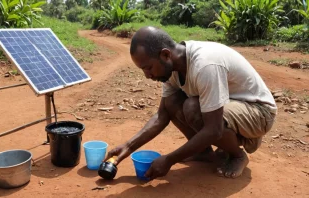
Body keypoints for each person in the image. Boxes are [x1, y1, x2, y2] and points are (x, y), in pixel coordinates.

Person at [104, 26, 277, 180]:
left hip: (258, 112)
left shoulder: (204, 65)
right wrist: (127, 147)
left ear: (165, 54)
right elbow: (162, 116)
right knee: (172, 102)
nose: (147, 76)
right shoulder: (171, 66)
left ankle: (237, 155)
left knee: (193, 107)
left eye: (148, 68)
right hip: (231, 105)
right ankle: (203, 152)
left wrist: (169, 160)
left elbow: (214, 129)